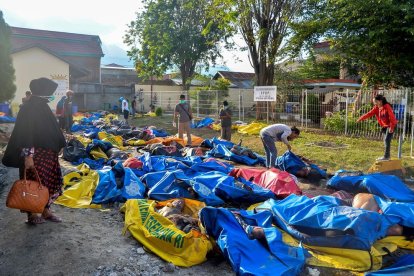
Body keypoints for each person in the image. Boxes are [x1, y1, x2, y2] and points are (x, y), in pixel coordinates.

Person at [2, 77, 66, 224]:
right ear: (42, 91)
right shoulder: (28, 108)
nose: (51, 95)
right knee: (33, 183)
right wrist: (28, 156)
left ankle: (45, 211)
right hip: (35, 155)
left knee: (48, 183)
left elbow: (52, 130)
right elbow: (26, 135)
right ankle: (31, 214)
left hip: (48, 154)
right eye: (49, 92)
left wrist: (57, 147)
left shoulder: (43, 106)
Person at [356, 95, 397, 161]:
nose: (374, 103)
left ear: (380, 101)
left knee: (387, 140)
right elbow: (369, 114)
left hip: (391, 125)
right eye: (374, 101)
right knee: (385, 141)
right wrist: (361, 118)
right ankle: (387, 156)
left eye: (375, 101)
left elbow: (392, 117)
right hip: (384, 126)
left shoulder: (387, 106)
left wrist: (391, 127)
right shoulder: (376, 108)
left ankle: (386, 157)